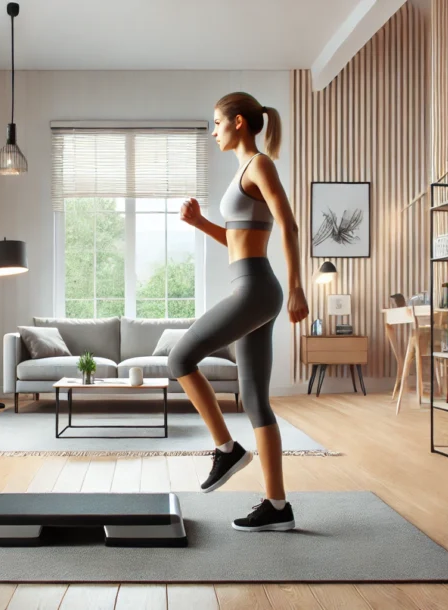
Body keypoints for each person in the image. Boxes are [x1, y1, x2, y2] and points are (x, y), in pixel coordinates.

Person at [168, 92, 309, 532]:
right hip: (251, 286)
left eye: (216, 123)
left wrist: (298, 288)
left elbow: (289, 223)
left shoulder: (259, 165)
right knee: (254, 400)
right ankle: (278, 506)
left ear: (240, 123)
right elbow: (237, 241)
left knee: (179, 358)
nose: (213, 131)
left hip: (256, 289)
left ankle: (226, 450)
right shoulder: (243, 174)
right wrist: (200, 223)